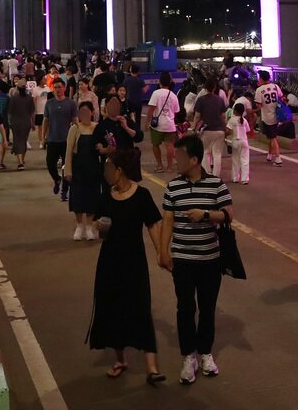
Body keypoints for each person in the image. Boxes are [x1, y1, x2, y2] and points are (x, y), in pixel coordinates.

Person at [157, 134, 233, 385]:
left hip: (210, 259)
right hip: (183, 260)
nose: (175, 160)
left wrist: (206, 214)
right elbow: (167, 220)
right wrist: (163, 251)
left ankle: (206, 353)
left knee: (208, 308)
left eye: (179, 156)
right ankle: (188, 355)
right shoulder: (173, 187)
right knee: (185, 308)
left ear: (194, 159)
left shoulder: (216, 185)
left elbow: (228, 215)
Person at [89, 149, 167, 386]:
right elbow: (97, 227)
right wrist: (100, 227)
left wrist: (161, 253)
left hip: (134, 262)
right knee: (112, 309)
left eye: (109, 168)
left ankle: (152, 368)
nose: (106, 173)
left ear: (119, 171)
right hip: (110, 261)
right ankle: (120, 359)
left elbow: (153, 224)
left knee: (141, 309)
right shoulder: (106, 196)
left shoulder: (141, 195)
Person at [65, 101, 109, 240]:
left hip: (94, 168)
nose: (84, 114)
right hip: (78, 168)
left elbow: (105, 146)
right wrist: (68, 171)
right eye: (81, 112)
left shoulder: (97, 128)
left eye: (87, 111)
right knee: (78, 198)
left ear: (92, 112)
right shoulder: (75, 128)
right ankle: (79, 226)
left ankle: (89, 227)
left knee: (92, 198)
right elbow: (68, 151)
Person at [44, 79, 76, 201]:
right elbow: (46, 120)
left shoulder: (71, 103)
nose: (57, 89)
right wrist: (43, 138)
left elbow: (75, 121)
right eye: (55, 87)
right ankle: (57, 179)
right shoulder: (49, 103)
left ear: (64, 88)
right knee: (50, 164)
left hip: (66, 140)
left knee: (66, 167)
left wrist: (76, 138)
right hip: (52, 139)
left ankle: (65, 191)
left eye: (59, 87)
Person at [145, 72, 181, 174]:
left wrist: (147, 122)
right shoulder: (173, 95)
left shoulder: (156, 93)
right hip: (170, 125)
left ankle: (160, 165)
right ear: (170, 82)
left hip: (157, 125)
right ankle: (169, 167)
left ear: (160, 81)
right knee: (169, 146)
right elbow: (176, 111)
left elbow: (151, 109)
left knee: (155, 145)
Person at [192, 78, 229, 178]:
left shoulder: (201, 100)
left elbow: (197, 116)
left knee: (205, 152)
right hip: (219, 129)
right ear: (215, 88)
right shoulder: (219, 99)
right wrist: (225, 128)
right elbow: (223, 116)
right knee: (217, 153)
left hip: (206, 129)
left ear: (205, 88)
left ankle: (207, 173)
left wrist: (194, 127)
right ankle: (216, 175)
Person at [253, 69, 285, 166]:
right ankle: (270, 154)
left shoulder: (259, 90)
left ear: (261, 79)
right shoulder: (275, 86)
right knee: (271, 136)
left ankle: (278, 158)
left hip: (267, 117)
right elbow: (282, 98)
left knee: (273, 137)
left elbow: (259, 106)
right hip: (277, 115)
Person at [7, 80, 35, 170]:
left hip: (15, 123)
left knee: (17, 141)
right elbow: (32, 112)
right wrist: (33, 123)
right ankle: (22, 160)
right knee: (23, 141)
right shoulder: (29, 98)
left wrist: (9, 122)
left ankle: (20, 162)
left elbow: (10, 112)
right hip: (26, 123)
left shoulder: (13, 98)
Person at [224, 101, 252, 184]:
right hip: (244, 141)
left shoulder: (232, 120)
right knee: (245, 160)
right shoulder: (245, 120)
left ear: (235, 111)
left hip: (235, 141)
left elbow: (228, 131)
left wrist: (224, 134)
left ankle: (235, 178)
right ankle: (244, 179)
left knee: (235, 160)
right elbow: (247, 131)